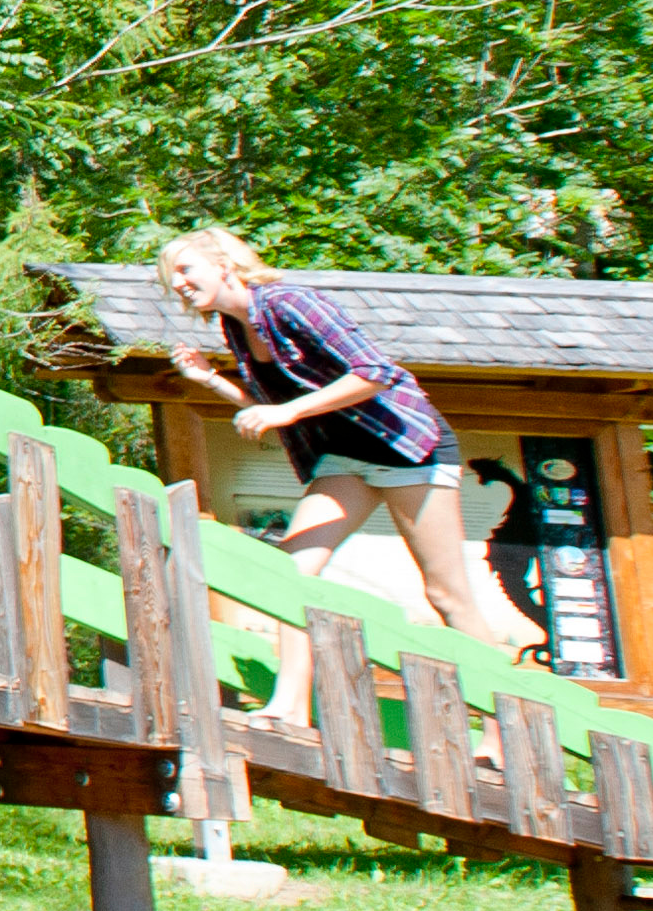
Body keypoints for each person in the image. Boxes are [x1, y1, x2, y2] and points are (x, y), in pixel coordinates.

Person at [154, 227, 527, 653]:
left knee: (446, 596)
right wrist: (209, 380)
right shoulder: (235, 326)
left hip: (406, 448)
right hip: (345, 458)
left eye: (184, 269)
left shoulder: (290, 301)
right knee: (290, 576)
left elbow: (374, 372)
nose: (178, 284)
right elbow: (274, 406)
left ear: (223, 265)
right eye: (171, 278)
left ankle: (500, 716)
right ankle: (289, 707)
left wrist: (287, 410)